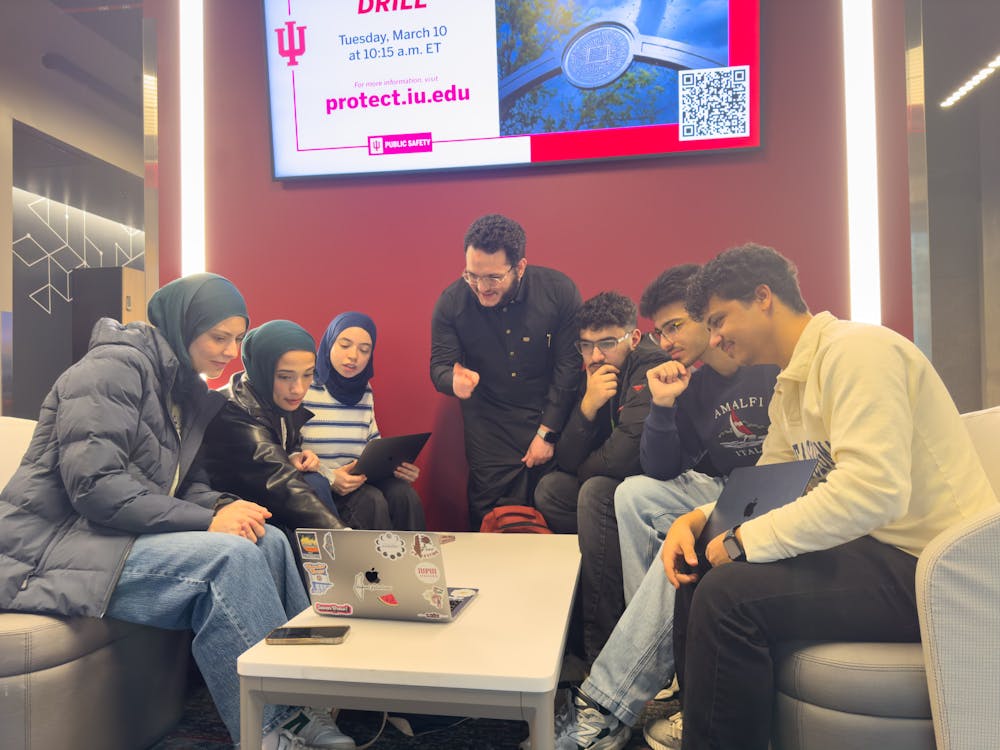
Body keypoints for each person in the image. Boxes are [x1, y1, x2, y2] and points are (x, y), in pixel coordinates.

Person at [656, 243, 998, 750]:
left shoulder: (859, 351)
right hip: (880, 547)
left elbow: (872, 490)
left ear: (764, 296)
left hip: (935, 566)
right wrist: (698, 520)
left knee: (728, 600)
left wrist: (745, 541)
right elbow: (770, 483)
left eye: (720, 319)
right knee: (700, 574)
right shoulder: (791, 384)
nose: (715, 337)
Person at [0, 274, 354, 750]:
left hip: (110, 536)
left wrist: (226, 507)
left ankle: (305, 698)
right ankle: (273, 732)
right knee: (229, 559)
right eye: (218, 337)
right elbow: (96, 488)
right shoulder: (111, 370)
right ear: (182, 325)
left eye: (236, 339)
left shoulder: (183, 390)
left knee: (263, 536)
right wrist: (209, 520)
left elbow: (187, 486)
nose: (229, 351)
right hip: (51, 547)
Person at [548, 266, 778, 750]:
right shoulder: (692, 385)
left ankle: (606, 702)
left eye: (674, 327)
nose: (664, 341)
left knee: (616, 498)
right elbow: (656, 469)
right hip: (721, 488)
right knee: (630, 493)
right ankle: (655, 662)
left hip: (768, 493)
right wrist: (665, 407)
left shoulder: (771, 364)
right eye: (659, 330)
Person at [533, 291, 669, 663]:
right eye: (586, 345)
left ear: (634, 338)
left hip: (658, 485)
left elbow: (626, 457)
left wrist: (583, 466)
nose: (595, 356)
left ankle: (603, 651)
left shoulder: (650, 366)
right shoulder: (593, 375)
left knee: (592, 492)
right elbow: (565, 459)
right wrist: (588, 407)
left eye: (607, 343)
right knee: (551, 490)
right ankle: (575, 611)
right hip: (613, 483)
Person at [430, 214, 582, 528]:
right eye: (472, 275)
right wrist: (453, 381)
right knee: (491, 520)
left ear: (520, 267)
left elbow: (569, 368)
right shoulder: (451, 301)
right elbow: (439, 366)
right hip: (487, 426)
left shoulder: (559, 291)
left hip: (547, 413)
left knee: (549, 510)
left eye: (493, 278)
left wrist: (547, 432)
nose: (481, 287)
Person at [200, 319, 348, 534]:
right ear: (261, 370)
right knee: (314, 484)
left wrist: (292, 456)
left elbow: (275, 456)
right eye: (284, 376)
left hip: (261, 497)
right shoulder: (234, 410)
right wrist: (344, 540)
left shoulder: (275, 396)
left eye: (308, 374)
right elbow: (280, 482)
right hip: (229, 509)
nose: (298, 388)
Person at [301, 312, 426, 531]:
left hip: (358, 479)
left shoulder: (365, 391)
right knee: (372, 501)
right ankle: (379, 566)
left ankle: (419, 562)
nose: (353, 356)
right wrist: (330, 477)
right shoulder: (304, 387)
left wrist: (396, 467)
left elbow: (372, 444)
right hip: (320, 484)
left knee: (404, 494)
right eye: (345, 345)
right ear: (329, 343)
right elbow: (291, 452)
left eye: (364, 350)